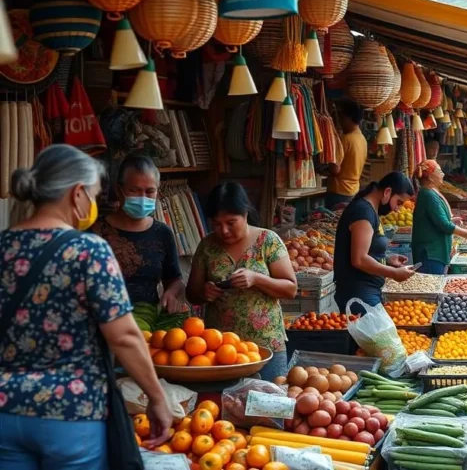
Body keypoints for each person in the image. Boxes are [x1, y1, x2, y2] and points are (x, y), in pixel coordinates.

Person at [1, 144, 174, 468]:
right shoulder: (88, 250)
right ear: (77, 193)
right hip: (71, 413)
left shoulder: (3, 246)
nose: (93, 204)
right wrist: (156, 397)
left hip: (5, 412)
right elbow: (123, 336)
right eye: (93, 195)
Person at [186, 182, 297, 381]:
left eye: (231, 222)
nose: (224, 230)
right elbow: (191, 293)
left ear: (245, 215)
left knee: (269, 405)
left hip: (266, 348)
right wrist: (205, 292)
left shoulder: (267, 241)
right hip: (219, 350)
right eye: (217, 224)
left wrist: (257, 279)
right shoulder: (207, 246)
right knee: (223, 408)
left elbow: (290, 289)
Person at [91, 152, 185, 311]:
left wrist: (171, 293)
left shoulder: (162, 233)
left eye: (150, 191)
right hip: (101, 324)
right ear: (118, 189)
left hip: (148, 323)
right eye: (134, 190)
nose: (143, 197)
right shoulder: (94, 232)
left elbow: (175, 280)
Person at [333, 172, 417, 312]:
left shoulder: (371, 210)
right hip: (358, 292)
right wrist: (394, 273)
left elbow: (366, 250)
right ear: (387, 192)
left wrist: (386, 259)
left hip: (367, 291)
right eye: (399, 202)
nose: (397, 209)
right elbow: (359, 259)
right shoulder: (363, 212)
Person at [412, 160, 467, 274]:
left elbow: (435, 220)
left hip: (434, 252)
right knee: (433, 287)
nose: (443, 174)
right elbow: (443, 225)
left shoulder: (430, 192)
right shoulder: (428, 195)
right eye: (439, 171)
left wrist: (450, 220)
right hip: (431, 254)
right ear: (430, 177)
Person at [325, 99, 368, 209]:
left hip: (338, 191)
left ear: (348, 117)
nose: (340, 121)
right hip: (353, 190)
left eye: (341, 117)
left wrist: (326, 167)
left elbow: (335, 169)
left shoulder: (345, 139)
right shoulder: (362, 139)